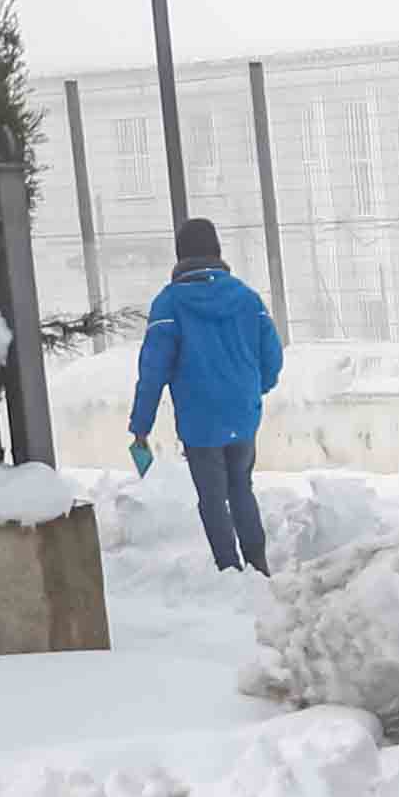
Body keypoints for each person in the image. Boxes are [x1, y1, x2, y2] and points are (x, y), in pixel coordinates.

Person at [127, 219, 286, 576]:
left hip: (199, 421)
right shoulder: (247, 298)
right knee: (241, 486)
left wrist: (141, 426)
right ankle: (258, 562)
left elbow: (153, 372)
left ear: (180, 255)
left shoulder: (169, 304)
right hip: (243, 413)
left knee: (213, 497)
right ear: (217, 252)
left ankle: (229, 569)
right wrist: (254, 388)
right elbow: (273, 357)